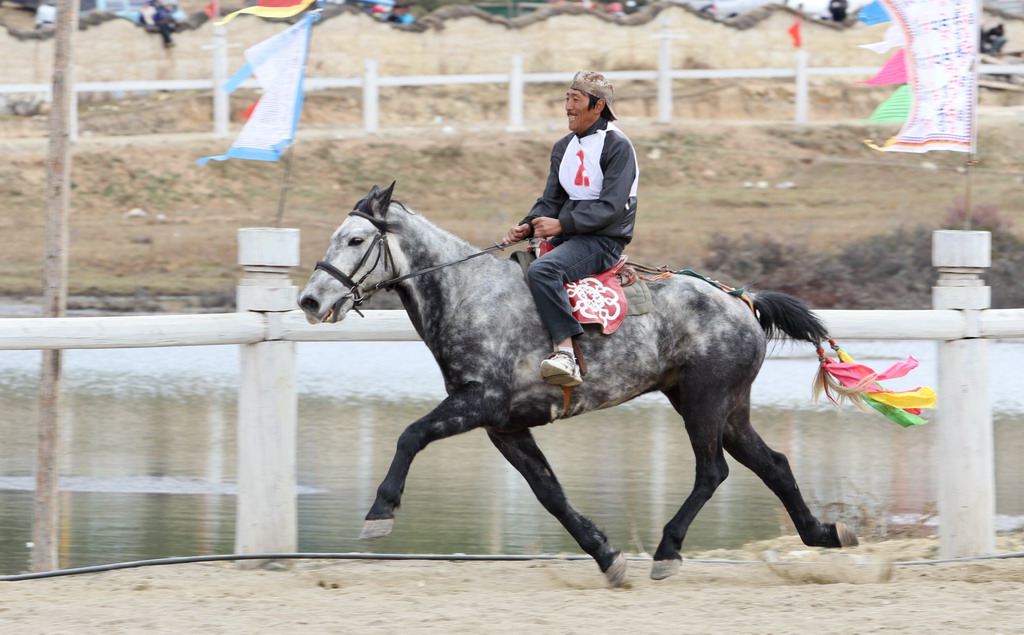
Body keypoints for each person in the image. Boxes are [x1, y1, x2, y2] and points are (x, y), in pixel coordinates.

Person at [502, 71, 639, 387]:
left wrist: (563, 224)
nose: (567, 106)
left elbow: (611, 207)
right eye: (567, 98)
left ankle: (566, 354)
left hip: (603, 241)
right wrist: (526, 226)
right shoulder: (563, 146)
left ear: (598, 105)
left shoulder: (617, 146)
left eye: (575, 99)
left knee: (543, 272)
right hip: (569, 236)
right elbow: (551, 199)